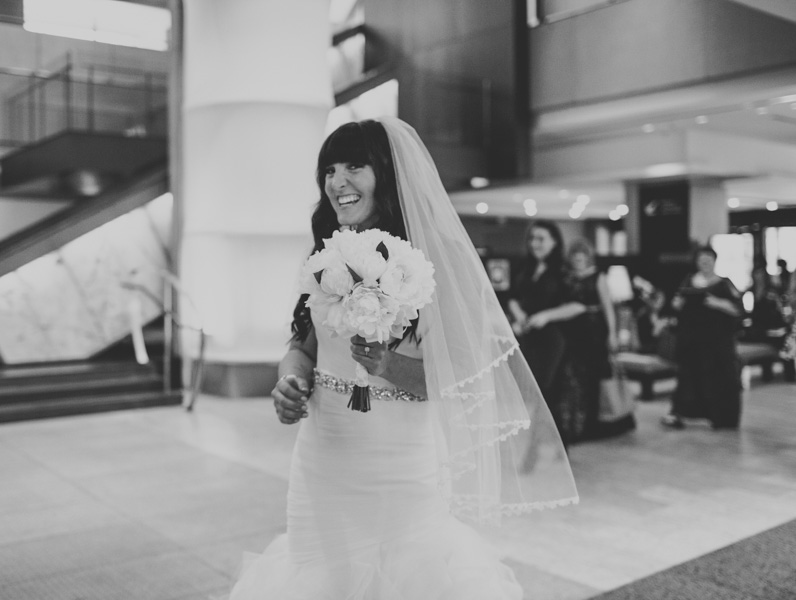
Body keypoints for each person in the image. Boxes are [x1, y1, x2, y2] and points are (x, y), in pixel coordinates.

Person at [227, 118, 578, 599]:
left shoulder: (437, 259)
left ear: (388, 175)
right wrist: (290, 380)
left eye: (355, 166)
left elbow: (459, 380)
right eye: (329, 170)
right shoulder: (326, 254)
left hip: (398, 464)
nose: (337, 182)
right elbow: (302, 347)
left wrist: (384, 364)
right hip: (321, 460)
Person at [506, 221, 587, 445]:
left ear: (554, 241)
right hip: (528, 336)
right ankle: (536, 447)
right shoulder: (525, 267)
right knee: (531, 393)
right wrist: (519, 315)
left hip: (554, 340)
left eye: (540, 238)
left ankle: (551, 447)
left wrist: (547, 316)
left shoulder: (563, 269)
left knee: (546, 392)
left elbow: (579, 305)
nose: (534, 243)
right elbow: (512, 296)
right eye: (532, 238)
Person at [662, 246, 743, 430]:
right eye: (701, 259)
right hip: (692, 342)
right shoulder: (689, 281)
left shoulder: (724, 283)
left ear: (715, 261)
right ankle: (683, 415)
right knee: (689, 378)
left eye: (708, 259)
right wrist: (677, 304)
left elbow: (738, 310)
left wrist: (719, 303)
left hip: (718, 343)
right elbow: (677, 306)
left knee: (720, 379)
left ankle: (722, 418)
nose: (705, 263)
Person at [565, 239, 635, 439]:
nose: (579, 261)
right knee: (578, 378)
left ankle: (602, 420)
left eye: (582, 257)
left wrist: (612, 333)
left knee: (598, 376)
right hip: (573, 331)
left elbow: (608, 307)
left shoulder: (598, 276)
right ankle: (580, 422)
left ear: (588, 258)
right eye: (575, 258)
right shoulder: (567, 277)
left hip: (594, 331)